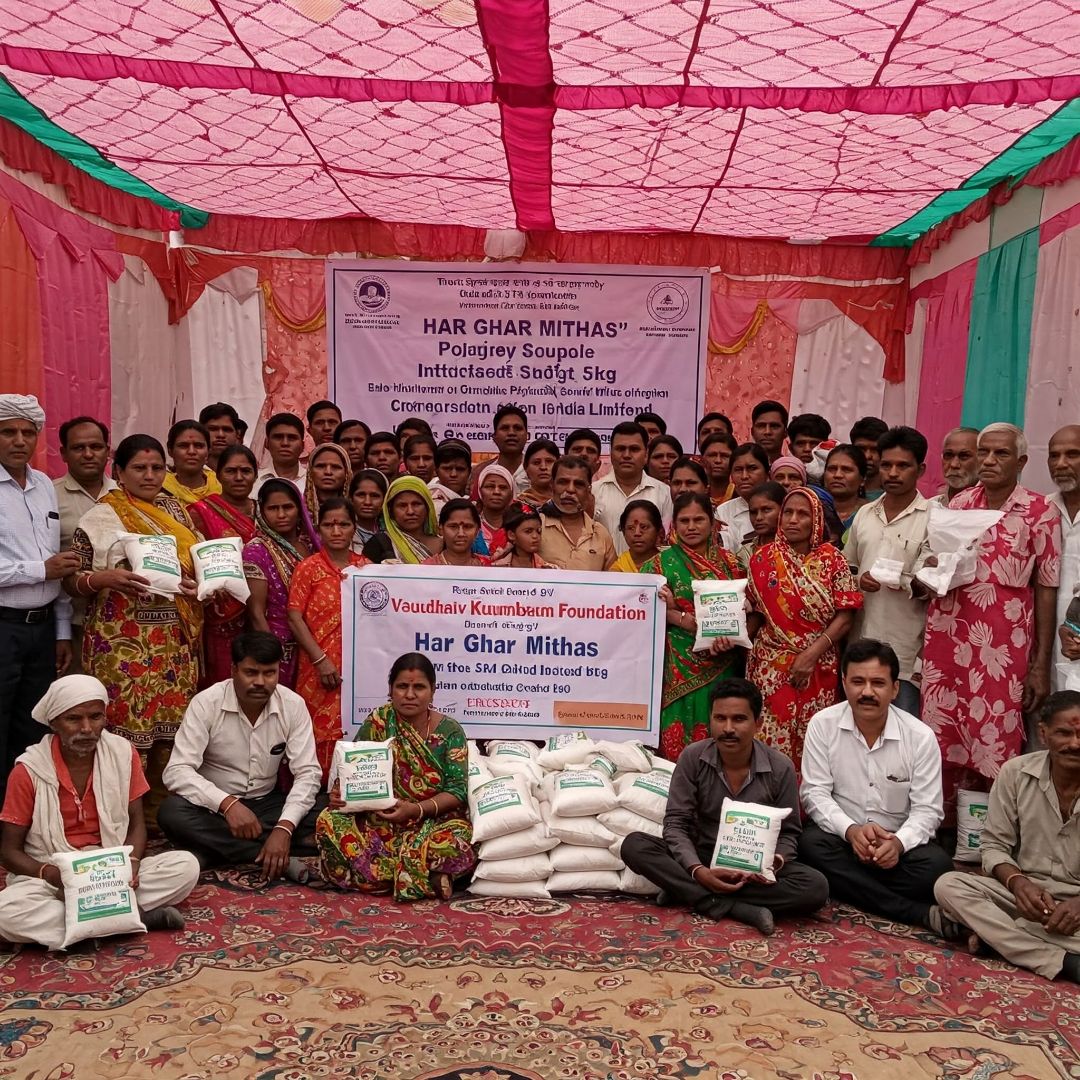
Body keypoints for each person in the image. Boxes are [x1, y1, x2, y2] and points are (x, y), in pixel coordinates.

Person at [922, 423, 1061, 819]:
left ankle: (993, 832)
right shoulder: (959, 503)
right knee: (942, 733)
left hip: (1002, 646)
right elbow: (937, 561)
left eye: (1000, 454)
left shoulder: (1040, 511)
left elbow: (1046, 586)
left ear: (1021, 462)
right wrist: (933, 565)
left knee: (995, 737)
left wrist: (1039, 665)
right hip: (949, 635)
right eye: (983, 452)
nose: (988, 460)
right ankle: (943, 827)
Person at [0, 675, 200, 948]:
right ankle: (132, 917)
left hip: (110, 869)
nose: (86, 728)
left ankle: (83, 927)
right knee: (6, 912)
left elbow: (136, 824)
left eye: (95, 717)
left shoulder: (122, 753)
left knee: (185, 866)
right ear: (54, 723)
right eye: (73, 719)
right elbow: (9, 852)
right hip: (55, 874)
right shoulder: (28, 770)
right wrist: (51, 874)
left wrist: (132, 863)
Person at [621, 678, 828, 935]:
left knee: (815, 887)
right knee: (634, 845)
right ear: (711, 720)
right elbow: (676, 823)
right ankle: (734, 907)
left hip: (755, 868)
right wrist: (698, 871)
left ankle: (686, 891)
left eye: (739, 719)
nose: (728, 728)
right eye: (720, 718)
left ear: (758, 724)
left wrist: (772, 864)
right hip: (703, 856)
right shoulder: (693, 757)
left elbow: (790, 833)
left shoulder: (780, 766)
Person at [67, 434, 202, 817]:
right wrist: (104, 579)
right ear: (120, 472)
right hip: (120, 644)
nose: (149, 475)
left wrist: (196, 585)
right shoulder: (101, 516)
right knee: (125, 725)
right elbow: (71, 580)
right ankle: (120, 815)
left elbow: (195, 564)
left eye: (157, 467)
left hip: (173, 642)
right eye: (139, 468)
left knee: (172, 725)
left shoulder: (177, 512)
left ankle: (164, 816)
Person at [799, 640, 959, 939]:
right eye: (858, 682)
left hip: (896, 848)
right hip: (843, 841)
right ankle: (916, 912)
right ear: (844, 683)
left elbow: (927, 811)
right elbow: (815, 793)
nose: (867, 692)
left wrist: (897, 844)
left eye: (878, 683)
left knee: (937, 867)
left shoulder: (920, 737)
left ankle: (850, 887)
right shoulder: (823, 724)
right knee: (809, 845)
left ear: (895, 689)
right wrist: (851, 831)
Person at [934, 690, 1080, 981]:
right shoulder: (1015, 773)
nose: (1075, 744)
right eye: (1064, 733)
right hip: (1028, 899)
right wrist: (1017, 882)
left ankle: (998, 936)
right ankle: (1062, 961)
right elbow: (993, 845)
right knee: (949, 885)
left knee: (974, 913)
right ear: (1043, 733)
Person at [159, 632, 324, 881]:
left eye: (269, 673)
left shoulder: (293, 705)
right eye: (251, 673)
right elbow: (177, 771)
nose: (260, 682)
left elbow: (308, 773)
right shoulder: (206, 703)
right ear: (233, 670)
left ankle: (212, 851)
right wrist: (228, 805)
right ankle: (275, 854)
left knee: (328, 810)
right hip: (214, 808)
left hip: (267, 805)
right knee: (172, 813)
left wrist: (284, 827)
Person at [317, 652, 475, 901]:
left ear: (432, 691)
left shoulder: (450, 731)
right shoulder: (378, 721)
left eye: (419, 687)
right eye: (402, 686)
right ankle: (425, 875)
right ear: (390, 690)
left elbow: (457, 791)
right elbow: (353, 770)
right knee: (328, 820)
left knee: (460, 844)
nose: (410, 694)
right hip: (380, 822)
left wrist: (416, 810)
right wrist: (341, 794)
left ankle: (376, 875)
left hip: (433, 822)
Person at [747, 486, 862, 773]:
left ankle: (810, 798)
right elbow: (756, 614)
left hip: (818, 666)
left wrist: (811, 655)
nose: (793, 520)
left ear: (817, 519)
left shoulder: (833, 559)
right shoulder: (761, 559)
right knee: (768, 741)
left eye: (803, 514)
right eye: (788, 512)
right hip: (770, 668)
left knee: (815, 741)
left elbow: (846, 616)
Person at [0, 395, 76, 798]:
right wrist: (39, 570)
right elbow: (46, 565)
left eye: (28, 432)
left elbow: (55, 560)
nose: (19, 440)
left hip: (42, 628)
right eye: (8, 432)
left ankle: (26, 813)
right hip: (3, 627)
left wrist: (62, 630)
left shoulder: (44, 485)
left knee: (33, 726)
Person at [644, 492, 746, 759]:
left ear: (712, 523)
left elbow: (748, 610)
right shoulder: (657, 566)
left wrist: (730, 638)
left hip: (724, 661)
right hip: (676, 664)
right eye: (684, 521)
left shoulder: (732, 564)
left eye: (698, 520)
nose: (691, 527)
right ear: (674, 525)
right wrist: (676, 616)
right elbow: (640, 614)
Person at [843, 426, 931, 716]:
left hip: (906, 652)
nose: (893, 473)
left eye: (903, 466)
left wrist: (903, 580)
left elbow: (931, 586)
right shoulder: (865, 513)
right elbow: (846, 568)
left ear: (920, 469)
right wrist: (860, 579)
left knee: (902, 731)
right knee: (857, 729)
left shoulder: (933, 518)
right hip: (860, 642)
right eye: (886, 465)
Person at [289, 499, 369, 778]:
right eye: (329, 525)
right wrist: (320, 660)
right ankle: (317, 789)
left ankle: (353, 787)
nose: (336, 531)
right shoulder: (308, 568)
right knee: (316, 731)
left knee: (357, 728)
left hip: (359, 668)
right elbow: (294, 618)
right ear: (318, 528)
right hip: (317, 667)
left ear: (354, 528)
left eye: (343, 524)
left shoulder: (366, 568)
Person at [187, 445, 260, 687]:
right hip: (221, 612)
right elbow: (190, 559)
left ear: (256, 475)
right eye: (231, 471)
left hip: (264, 610)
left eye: (245, 471)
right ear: (217, 475)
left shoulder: (266, 510)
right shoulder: (200, 512)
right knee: (224, 681)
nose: (239, 477)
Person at [54, 416, 116, 675]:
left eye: (96, 447)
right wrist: (61, 633)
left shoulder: (124, 495)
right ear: (63, 454)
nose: (89, 454)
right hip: (74, 624)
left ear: (108, 451)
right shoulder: (48, 496)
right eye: (79, 448)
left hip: (122, 625)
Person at [243, 479, 318, 690]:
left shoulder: (311, 545)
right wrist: (271, 656)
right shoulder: (256, 551)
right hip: (280, 647)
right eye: (273, 508)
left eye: (288, 507)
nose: (282, 514)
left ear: (299, 509)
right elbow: (256, 613)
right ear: (262, 512)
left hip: (315, 644)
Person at [592, 422, 673, 556]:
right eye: (620, 449)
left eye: (634, 449)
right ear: (610, 453)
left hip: (650, 568)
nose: (626, 455)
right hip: (604, 569)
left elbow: (666, 542)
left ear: (646, 455)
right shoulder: (593, 492)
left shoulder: (664, 493)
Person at [540, 457, 617, 571]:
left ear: (589, 490)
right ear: (552, 485)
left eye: (579, 484)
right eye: (563, 482)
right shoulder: (536, 526)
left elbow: (613, 579)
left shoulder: (600, 534)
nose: (570, 489)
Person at [1049, 426, 1080, 691]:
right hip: (1046, 648)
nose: (1061, 464)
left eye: (1072, 454)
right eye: (1054, 455)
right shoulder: (1040, 510)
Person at [363, 475, 443, 563]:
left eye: (416, 504)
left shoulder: (445, 545)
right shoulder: (379, 544)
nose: (410, 511)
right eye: (402, 505)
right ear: (390, 511)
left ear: (428, 507)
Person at [716, 442, 769, 550]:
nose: (744, 476)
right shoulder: (723, 511)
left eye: (752, 468)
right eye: (738, 470)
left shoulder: (782, 507)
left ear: (767, 473)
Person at [163, 420, 220, 505]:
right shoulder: (160, 489)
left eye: (198, 446)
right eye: (183, 446)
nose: (191, 451)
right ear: (170, 451)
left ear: (208, 451)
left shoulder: (221, 488)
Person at [736, 481, 785, 571]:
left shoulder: (796, 550)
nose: (758, 518)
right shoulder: (745, 553)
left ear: (783, 510)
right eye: (753, 512)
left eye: (766, 510)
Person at [425, 500, 490, 567]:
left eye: (467, 527)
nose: (461, 534)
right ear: (441, 530)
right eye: (453, 526)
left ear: (477, 531)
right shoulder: (426, 568)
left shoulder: (490, 566)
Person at [255, 413, 307, 495]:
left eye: (292, 438)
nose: (285, 443)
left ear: (302, 446)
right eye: (278, 437)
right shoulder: (252, 482)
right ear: (266, 443)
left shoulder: (314, 481)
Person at [491, 504, 554, 569]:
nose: (535, 536)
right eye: (528, 531)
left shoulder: (549, 569)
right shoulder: (496, 568)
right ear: (511, 535)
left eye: (539, 531)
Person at [823, 443, 869, 532]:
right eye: (832, 469)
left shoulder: (872, 514)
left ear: (862, 479)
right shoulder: (813, 511)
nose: (837, 475)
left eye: (846, 470)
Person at [611, 499, 664, 573]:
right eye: (631, 528)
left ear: (658, 530)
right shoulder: (618, 569)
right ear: (623, 532)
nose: (637, 533)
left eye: (644, 527)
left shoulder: (669, 564)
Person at [303, 442, 352, 521]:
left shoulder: (356, 510)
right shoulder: (298, 509)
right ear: (310, 471)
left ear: (346, 473)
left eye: (335, 467)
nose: (328, 472)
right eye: (320, 466)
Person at [474, 462, 515, 557]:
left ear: (511, 493)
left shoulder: (518, 526)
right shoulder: (471, 525)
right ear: (480, 491)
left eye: (503, 487)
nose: (496, 492)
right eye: (490, 486)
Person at [489, 405, 529, 493]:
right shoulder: (486, 474)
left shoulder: (539, 472)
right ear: (494, 437)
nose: (511, 433)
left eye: (517, 428)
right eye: (505, 428)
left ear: (527, 436)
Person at [935, 426, 980, 506]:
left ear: (981, 460)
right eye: (948, 455)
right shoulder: (932, 506)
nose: (954, 464)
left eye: (964, 456)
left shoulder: (993, 508)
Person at [348, 468, 387, 552]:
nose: (367, 502)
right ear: (351, 499)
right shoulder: (343, 535)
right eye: (361, 495)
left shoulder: (392, 535)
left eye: (374, 496)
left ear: (384, 500)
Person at [428, 438, 472, 513]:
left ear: (469, 471)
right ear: (436, 470)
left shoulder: (477, 502)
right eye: (447, 468)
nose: (453, 474)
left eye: (460, 469)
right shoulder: (427, 503)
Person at [850, 417, 889, 499]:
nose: (867, 456)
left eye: (875, 449)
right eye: (861, 449)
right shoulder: (837, 493)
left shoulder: (895, 496)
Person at [199, 402, 242, 472]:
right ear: (201, 432)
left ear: (237, 434)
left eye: (227, 429)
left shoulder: (249, 474)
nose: (220, 435)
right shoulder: (186, 474)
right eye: (213, 429)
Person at [700, 431, 737, 508]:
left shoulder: (741, 496)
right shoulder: (695, 496)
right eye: (712, 455)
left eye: (725, 456)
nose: (718, 460)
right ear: (702, 460)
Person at [520, 438, 559, 508]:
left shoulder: (568, 502)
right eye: (536, 462)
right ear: (526, 467)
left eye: (549, 461)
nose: (543, 467)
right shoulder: (518, 505)